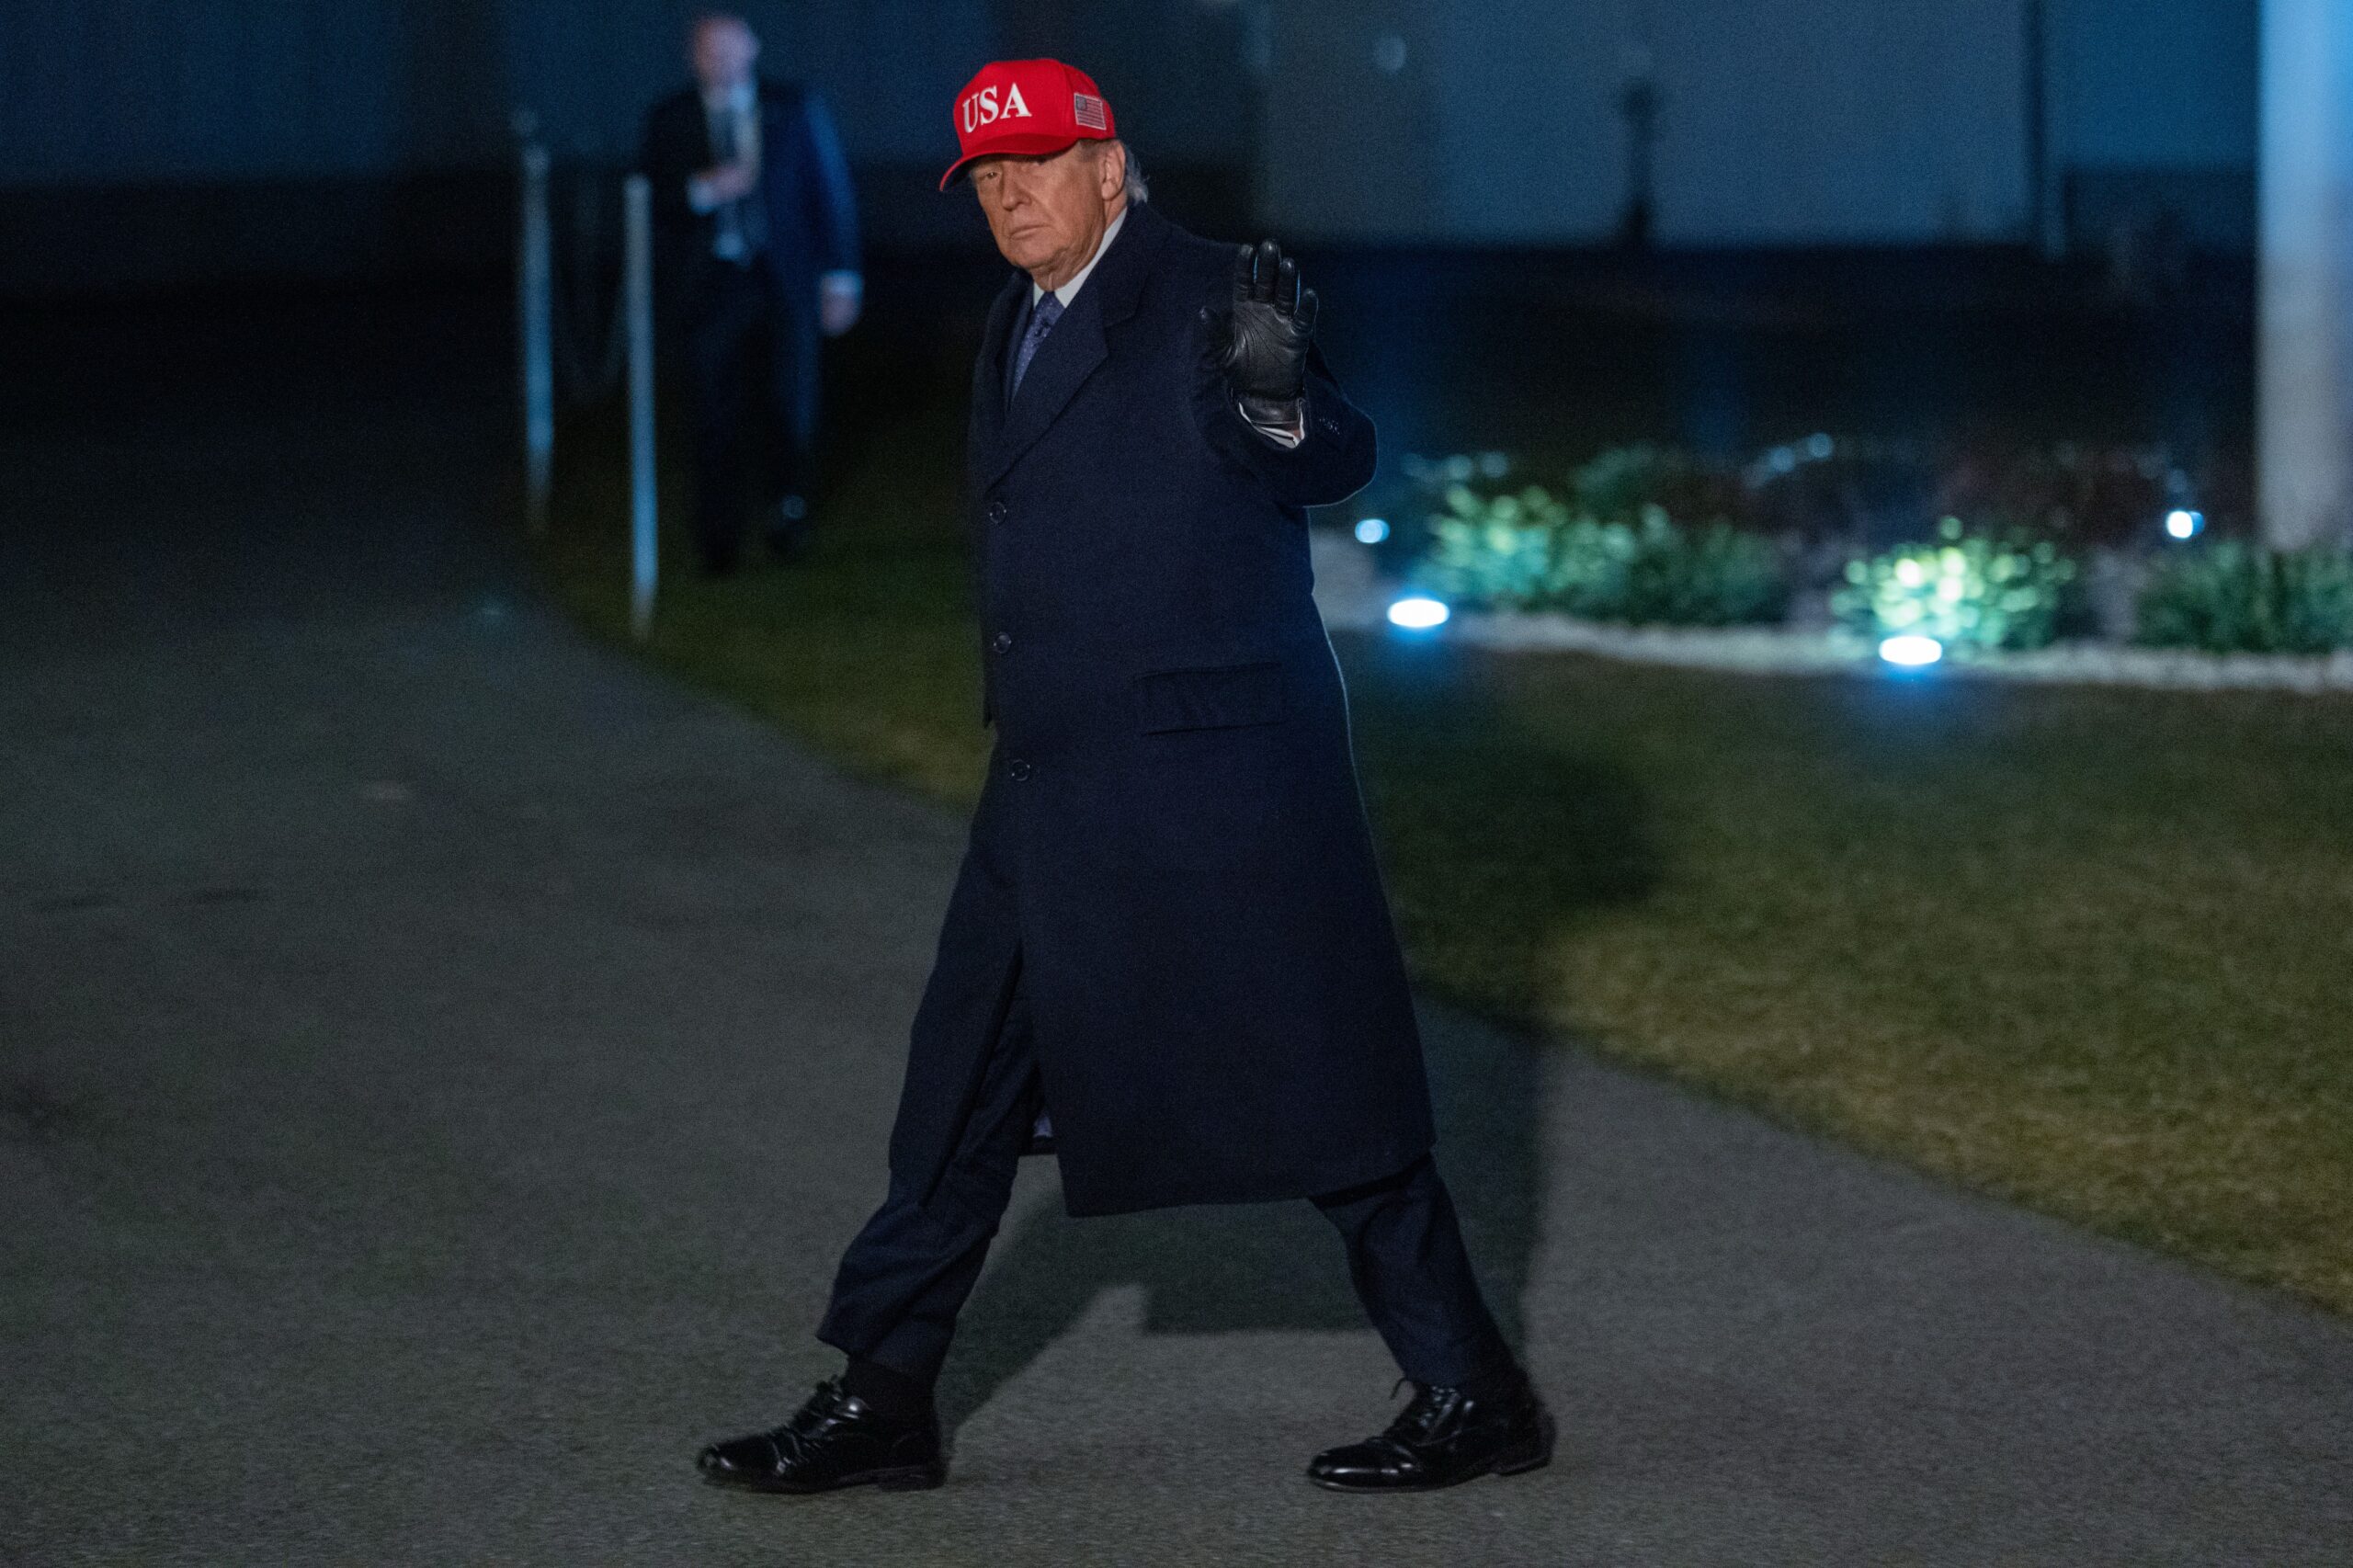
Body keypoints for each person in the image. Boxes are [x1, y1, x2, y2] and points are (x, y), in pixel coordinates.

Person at [696, 58, 1552, 1497]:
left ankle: (1475, 1389)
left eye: (1036, 163)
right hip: (1050, 779)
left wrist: (1280, 405)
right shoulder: (1020, 312)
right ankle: (883, 1396)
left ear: (1110, 167)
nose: (1011, 195)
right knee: (956, 1094)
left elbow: (1325, 452)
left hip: (1211, 784)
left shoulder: (1215, 291)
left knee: (1329, 1092)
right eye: (987, 177)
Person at [640, 13, 861, 573]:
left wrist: (840, 278)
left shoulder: (794, 108)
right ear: (693, 58)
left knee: (790, 402)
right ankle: (717, 535)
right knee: (712, 409)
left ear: (752, 50)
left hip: (785, 281)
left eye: (730, 50)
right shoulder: (672, 118)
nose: (722, 63)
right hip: (710, 285)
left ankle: (787, 514)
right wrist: (703, 190)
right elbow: (650, 201)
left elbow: (830, 192)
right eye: (709, 52)